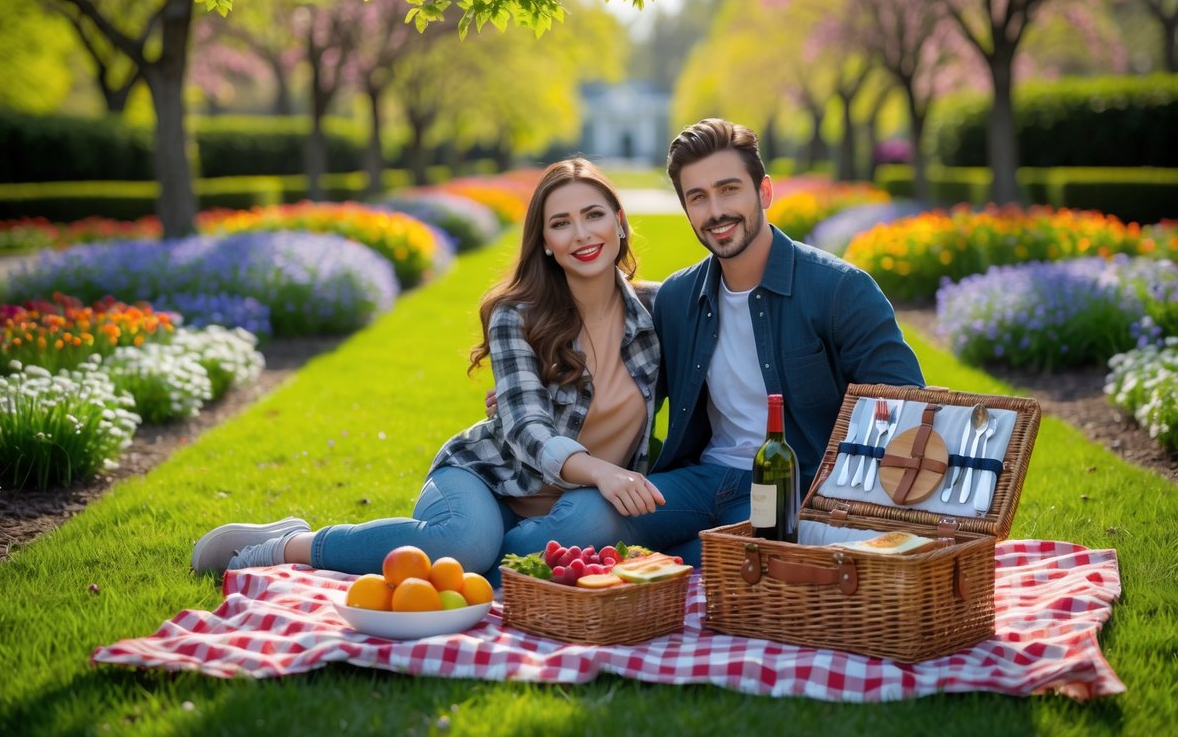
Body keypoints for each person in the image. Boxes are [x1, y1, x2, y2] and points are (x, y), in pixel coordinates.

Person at [190, 158, 663, 578]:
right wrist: (602, 470)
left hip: (573, 506)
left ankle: (478, 565)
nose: (581, 234)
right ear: (544, 242)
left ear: (619, 223)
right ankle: (288, 545)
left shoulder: (661, 311)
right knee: (465, 544)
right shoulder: (517, 315)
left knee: (569, 534)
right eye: (561, 223)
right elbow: (525, 429)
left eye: (594, 215)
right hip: (487, 477)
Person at [496, 118, 924, 565]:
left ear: (764, 193)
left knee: (737, 564)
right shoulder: (678, 299)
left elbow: (907, 407)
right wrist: (539, 387)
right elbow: (623, 369)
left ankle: (668, 560)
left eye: (729, 189)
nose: (716, 211)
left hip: (791, 491)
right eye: (698, 197)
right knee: (571, 527)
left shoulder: (840, 291)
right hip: (696, 482)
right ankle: (469, 560)